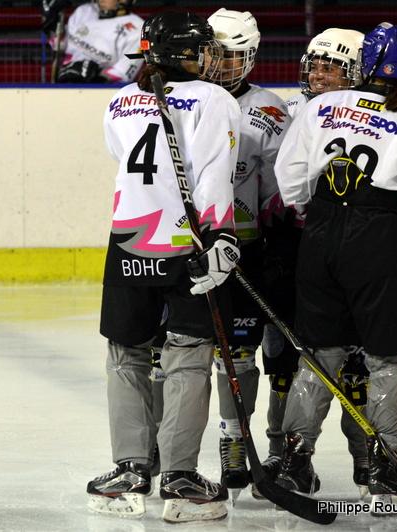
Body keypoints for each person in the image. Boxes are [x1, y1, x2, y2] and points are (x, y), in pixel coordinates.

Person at [274, 22, 397, 508]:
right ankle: (383, 466)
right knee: (387, 357)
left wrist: (315, 215)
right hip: (378, 238)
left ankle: (294, 459)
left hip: (320, 233)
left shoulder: (323, 106)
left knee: (318, 351)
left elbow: (290, 177)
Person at [88, 11, 242, 523]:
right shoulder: (214, 99)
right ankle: (178, 475)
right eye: (201, 50)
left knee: (126, 353)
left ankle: (130, 470)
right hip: (187, 245)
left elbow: (121, 154)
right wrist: (221, 236)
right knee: (188, 356)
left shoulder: (119, 101)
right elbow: (214, 176)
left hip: (129, 242)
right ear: (184, 55)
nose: (209, 58)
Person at [270, 26, 373, 501]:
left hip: (354, 248)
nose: (318, 74)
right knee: (290, 357)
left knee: (359, 363)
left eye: (331, 67)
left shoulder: (380, 115)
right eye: (314, 64)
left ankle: (369, 459)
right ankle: (288, 455)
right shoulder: (290, 110)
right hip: (298, 248)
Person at [198, 7, 293, 497]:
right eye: (215, 53)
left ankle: (242, 442)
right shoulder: (185, 98)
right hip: (188, 248)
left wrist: (280, 242)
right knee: (176, 354)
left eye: (233, 55)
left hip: (246, 251)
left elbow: (282, 190)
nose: (222, 64)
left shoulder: (269, 110)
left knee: (242, 353)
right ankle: (165, 449)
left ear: (251, 57)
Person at [40, 0, 143, 83]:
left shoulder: (138, 29)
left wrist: (95, 79)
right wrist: (53, 28)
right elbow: (60, 45)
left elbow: (123, 73)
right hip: (65, 79)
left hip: (101, 93)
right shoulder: (84, 11)